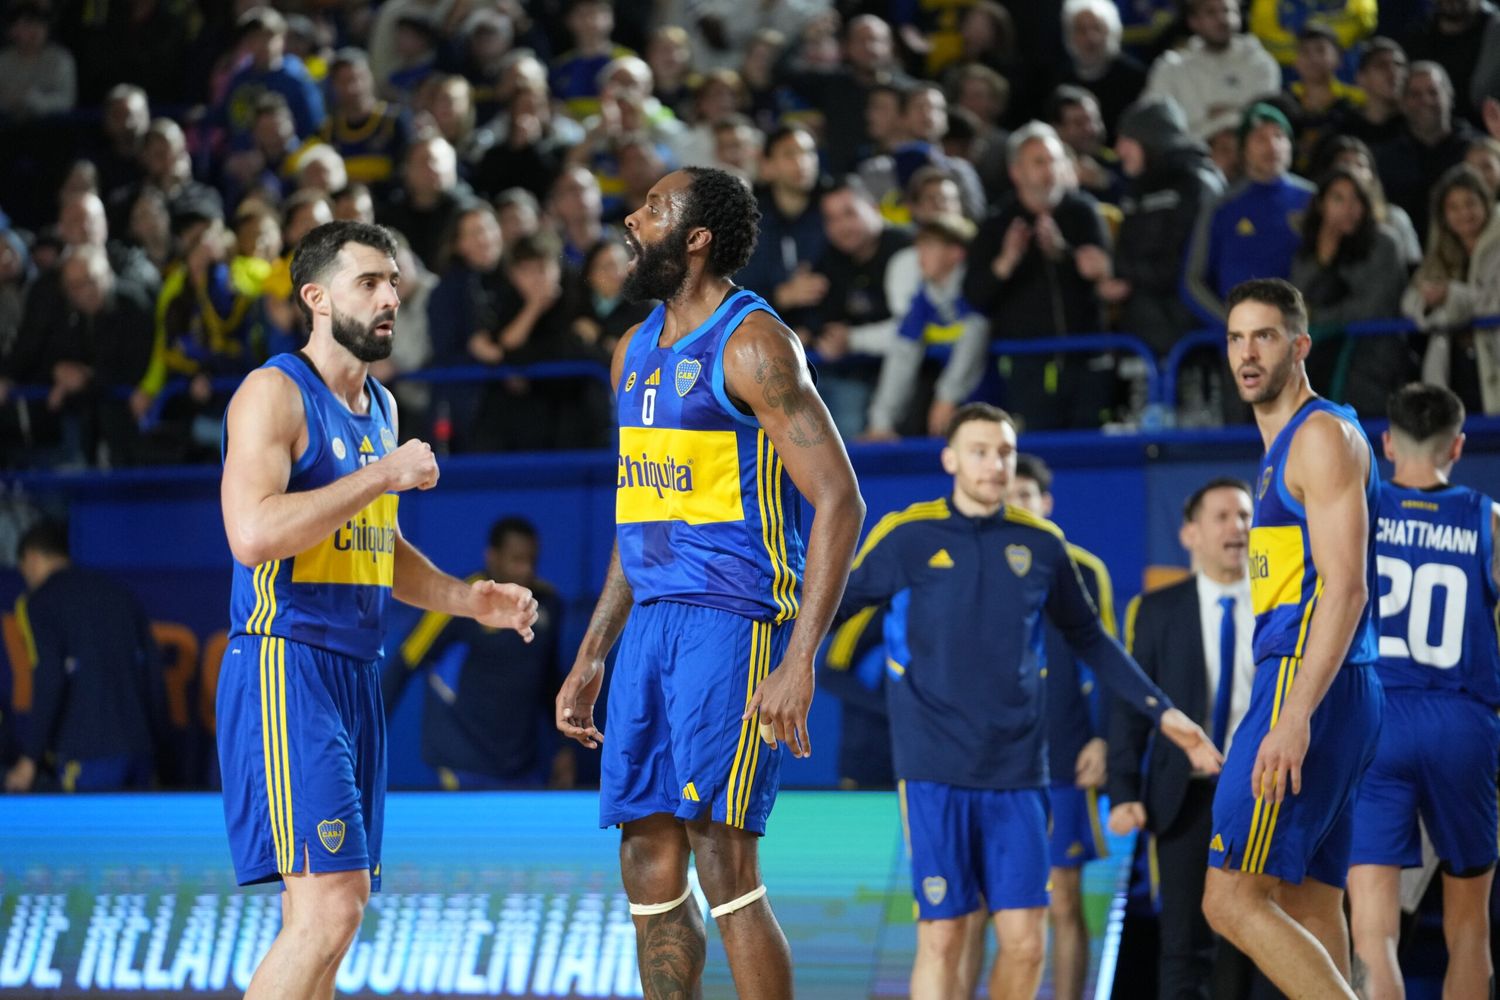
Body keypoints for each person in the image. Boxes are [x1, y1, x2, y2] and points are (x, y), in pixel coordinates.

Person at [553, 166, 865, 1000]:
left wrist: (798, 662)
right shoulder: (632, 348)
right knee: (645, 856)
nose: (631, 218)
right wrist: (592, 655)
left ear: (695, 238)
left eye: (653, 208)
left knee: (725, 859)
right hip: (649, 623)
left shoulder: (753, 342)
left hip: (732, 621)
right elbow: (637, 516)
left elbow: (840, 500)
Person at [215, 219, 538, 1000]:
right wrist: (380, 476)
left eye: (394, 280)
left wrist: (469, 600)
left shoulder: (381, 407)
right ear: (316, 298)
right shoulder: (273, 391)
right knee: (333, 910)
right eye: (369, 282)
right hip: (285, 660)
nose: (391, 295)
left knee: (323, 921)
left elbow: (375, 549)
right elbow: (254, 533)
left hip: (354, 669)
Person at [836, 403, 1220, 1000]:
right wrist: (777, 668)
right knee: (943, 935)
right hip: (934, 766)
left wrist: (1164, 712)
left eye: (1004, 452)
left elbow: (1092, 639)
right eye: (980, 451)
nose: (994, 464)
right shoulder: (908, 536)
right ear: (950, 459)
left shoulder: (1042, 545)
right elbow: (834, 607)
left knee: (1026, 940)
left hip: (1019, 769)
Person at [1199, 278, 1385, 1000]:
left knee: (1230, 900)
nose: (1247, 353)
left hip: (1308, 685)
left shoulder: (1319, 436)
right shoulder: (1285, 444)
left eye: (1265, 336)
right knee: (1310, 904)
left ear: (1300, 345)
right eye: (1236, 338)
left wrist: (1296, 714)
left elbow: (1346, 588)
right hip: (1337, 686)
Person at [1346, 382, 1499, 1000]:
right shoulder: (1486, 519)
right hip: (1463, 721)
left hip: (1378, 715)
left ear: (1386, 443)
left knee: (1373, 931)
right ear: (1458, 446)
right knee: (1469, 929)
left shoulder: (1360, 509)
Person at [1107, 477, 1257, 1000]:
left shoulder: (1281, 605)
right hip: (1184, 797)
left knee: (1264, 939)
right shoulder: (1156, 611)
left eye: (1244, 516)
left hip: (1266, 794)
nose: (1237, 527)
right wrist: (1123, 790)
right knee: (1184, 945)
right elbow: (1130, 709)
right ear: (1190, 533)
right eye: (1222, 517)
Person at [1006, 454, 1117, 1000]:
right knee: (986, 906)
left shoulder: (1084, 570)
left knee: (1065, 900)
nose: (1019, 505)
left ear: (1046, 503)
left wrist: (1105, 739)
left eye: (1028, 495)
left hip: (1066, 758)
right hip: (994, 762)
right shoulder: (978, 562)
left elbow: (1108, 660)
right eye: (1011, 495)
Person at [384, 516, 570, 789]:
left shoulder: (547, 605)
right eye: (516, 560)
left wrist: (564, 747)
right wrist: (367, 737)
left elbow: (550, 683)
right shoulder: (460, 602)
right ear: (491, 557)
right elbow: (402, 665)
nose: (525, 570)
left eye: (532, 560)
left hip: (522, 766)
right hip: (461, 762)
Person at [3, 519, 163, 793]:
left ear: (31, 559)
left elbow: (50, 677)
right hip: (141, 752)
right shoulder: (119, 594)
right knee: (136, 837)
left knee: (88, 837)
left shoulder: (40, 601)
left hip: (87, 754)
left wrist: (30, 758)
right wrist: (162, 756)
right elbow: (153, 678)